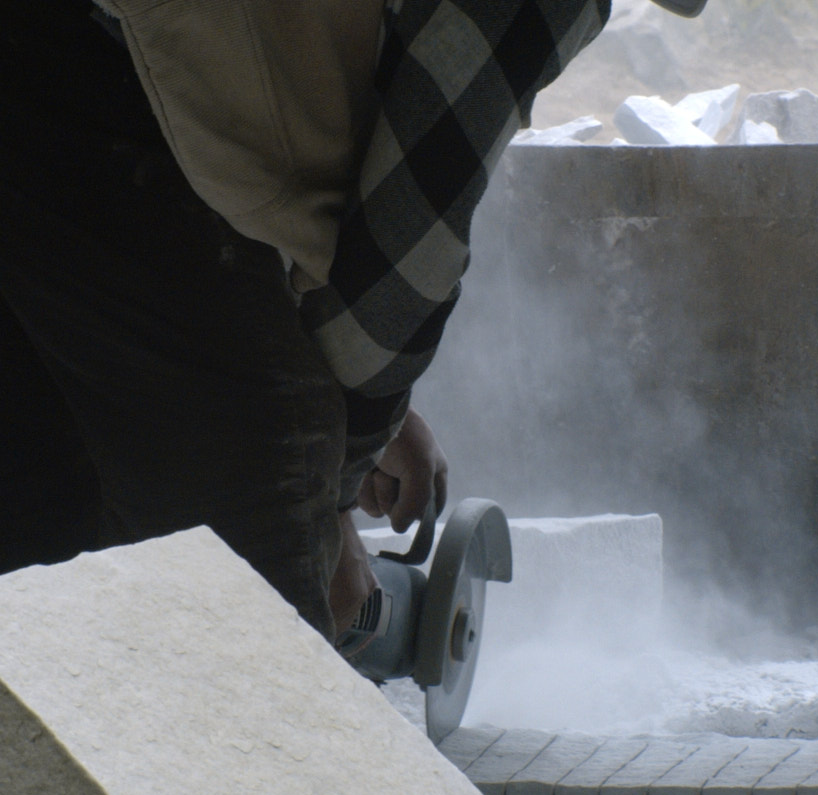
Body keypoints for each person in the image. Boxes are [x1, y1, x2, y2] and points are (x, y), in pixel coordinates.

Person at [0, 0, 699, 643]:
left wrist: (374, 420)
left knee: (46, 497)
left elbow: (282, 158)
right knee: (257, 522)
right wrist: (330, 492)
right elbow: (415, 225)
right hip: (77, 64)